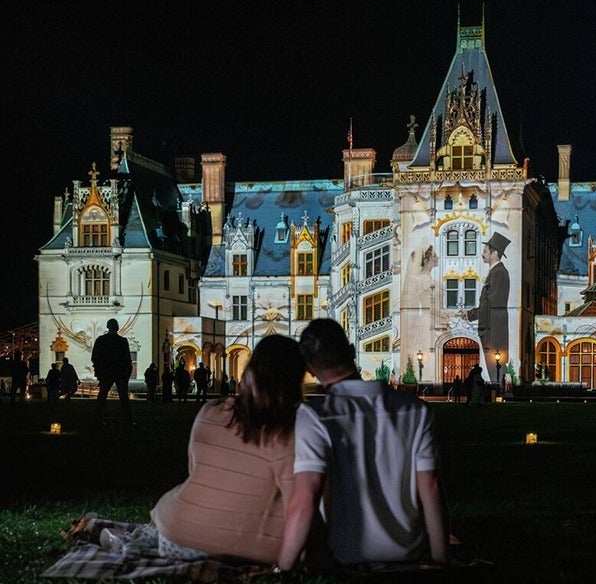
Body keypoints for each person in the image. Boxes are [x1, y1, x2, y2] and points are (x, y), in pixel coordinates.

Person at [278, 318, 449, 571]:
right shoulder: (414, 409)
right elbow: (431, 488)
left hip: (344, 559)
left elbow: (305, 497)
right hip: (406, 555)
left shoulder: (315, 415)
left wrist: (282, 569)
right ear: (350, 350)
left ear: (310, 370)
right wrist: (441, 561)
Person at [150, 334, 305, 564]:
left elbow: (195, 470)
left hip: (175, 537)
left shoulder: (211, 411)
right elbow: (298, 503)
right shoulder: (287, 430)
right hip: (244, 548)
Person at [466, 232, 511, 387]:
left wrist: (471, 314)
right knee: (494, 365)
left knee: (495, 365)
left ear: (495, 253)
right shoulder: (496, 272)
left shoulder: (499, 273)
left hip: (493, 327)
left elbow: (491, 302)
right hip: (492, 325)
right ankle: (497, 388)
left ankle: (498, 390)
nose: (482, 254)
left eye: (485, 251)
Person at [91, 319, 134, 426]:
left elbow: (95, 358)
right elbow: (128, 360)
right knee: (124, 398)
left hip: (106, 372)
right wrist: (126, 374)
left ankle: (97, 418)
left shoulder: (101, 340)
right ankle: (127, 420)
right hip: (120, 373)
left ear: (107, 327)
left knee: (102, 396)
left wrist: (99, 372)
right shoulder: (122, 341)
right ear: (117, 328)